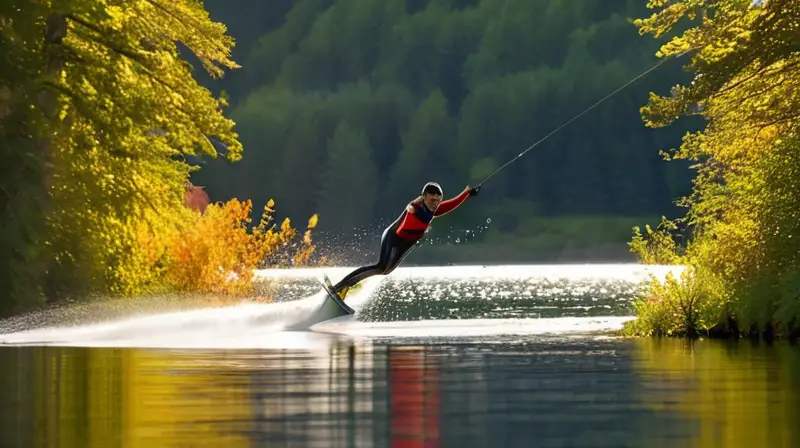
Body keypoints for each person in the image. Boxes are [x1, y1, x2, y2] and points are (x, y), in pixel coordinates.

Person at [332, 182, 481, 295]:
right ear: (425, 196)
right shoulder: (416, 207)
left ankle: (352, 284)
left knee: (386, 271)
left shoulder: (435, 210)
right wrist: (412, 211)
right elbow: (410, 211)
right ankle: (341, 285)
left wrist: (468, 193)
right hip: (393, 236)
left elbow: (453, 203)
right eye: (432, 197)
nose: (435, 200)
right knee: (381, 266)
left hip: (406, 244)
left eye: (438, 198)